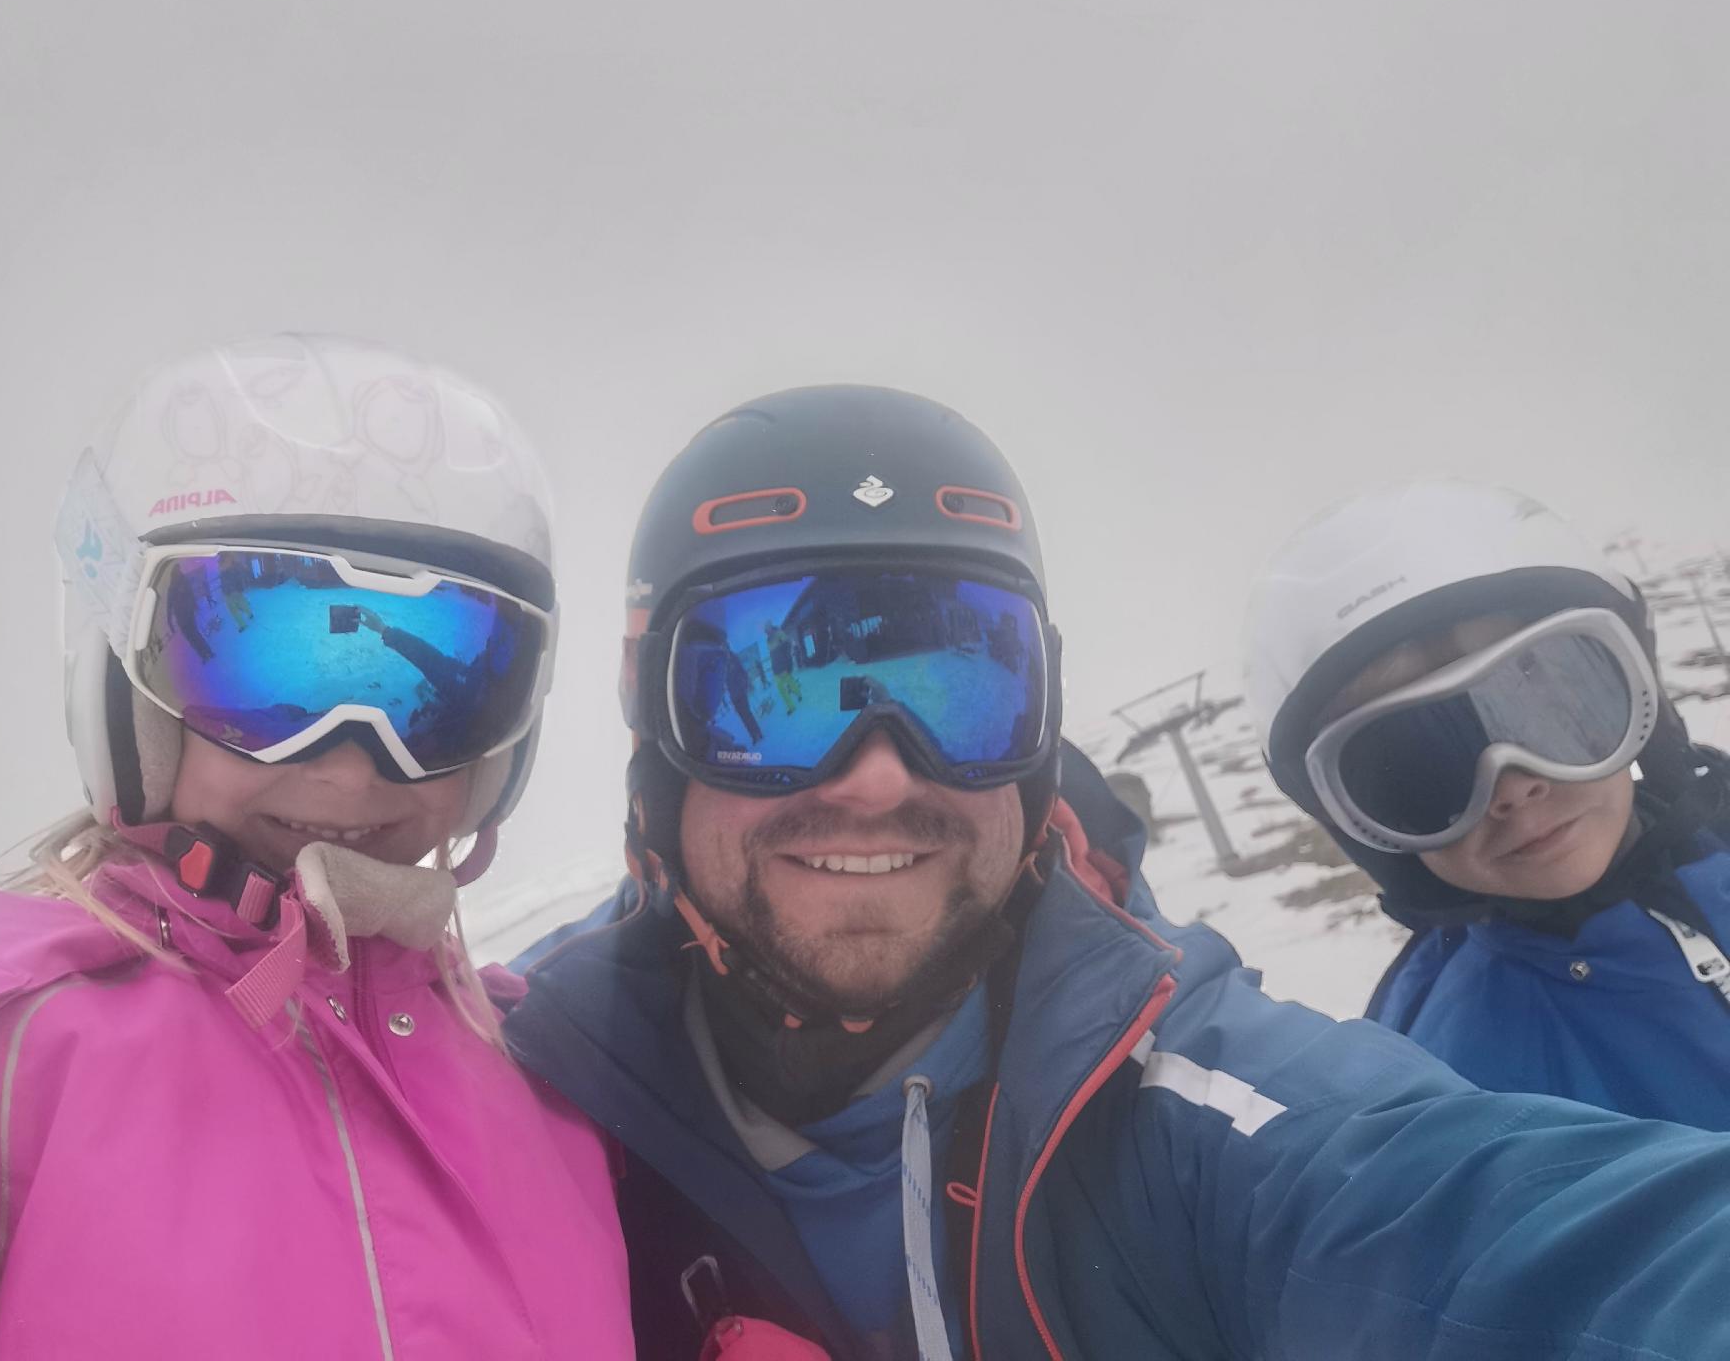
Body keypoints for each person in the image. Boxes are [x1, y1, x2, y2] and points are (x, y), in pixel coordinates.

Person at [507, 385, 1730, 1361]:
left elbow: (1500, 1229)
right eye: (780, 693)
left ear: (1045, 731)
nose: (876, 776)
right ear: (654, 726)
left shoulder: (1188, 1110)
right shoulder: (515, 1096)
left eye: (962, 687)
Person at [0, 335, 633, 1358]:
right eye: (263, 667)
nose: (351, 767)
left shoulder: (555, 1082)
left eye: (436, 690)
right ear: (127, 689)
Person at [1244, 478, 1730, 1128]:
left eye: (1547, 710)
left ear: (1634, 692)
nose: (1513, 788)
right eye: (1419, 767)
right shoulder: (1451, 1096)